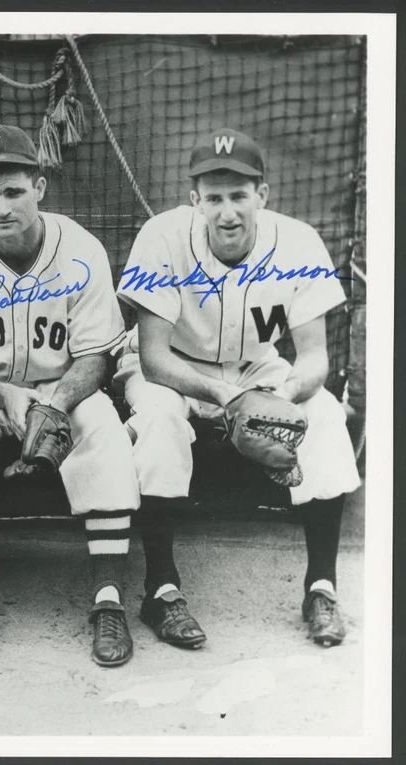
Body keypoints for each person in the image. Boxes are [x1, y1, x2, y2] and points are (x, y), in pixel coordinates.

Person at [115, 127, 361, 649]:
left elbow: (315, 355)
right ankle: (160, 589)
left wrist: (284, 397)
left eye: (239, 196)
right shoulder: (161, 237)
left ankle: (322, 587)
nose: (227, 212)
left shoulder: (297, 241)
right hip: (172, 370)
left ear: (262, 196)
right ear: (194, 200)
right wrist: (231, 401)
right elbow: (154, 357)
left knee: (328, 418)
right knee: (159, 421)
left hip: (257, 370)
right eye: (214, 198)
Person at [0, 124, 140, 666]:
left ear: (40, 186)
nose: (2, 207)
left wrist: (56, 404)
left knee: (104, 430)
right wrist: (3, 397)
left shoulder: (79, 247)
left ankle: (109, 602)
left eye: (14, 191)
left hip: (60, 385)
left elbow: (97, 355)